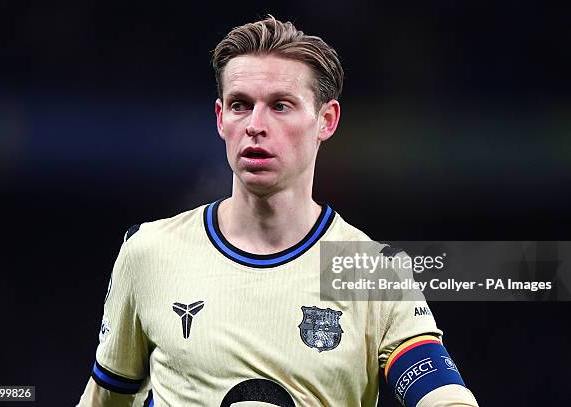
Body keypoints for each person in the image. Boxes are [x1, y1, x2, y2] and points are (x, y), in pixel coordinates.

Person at [77, 16, 479, 407]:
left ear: (326, 120)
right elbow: (107, 398)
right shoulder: (149, 252)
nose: (255, 124)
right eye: (240, 105)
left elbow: (441, 393)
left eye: (280, 106)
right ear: (220, 118)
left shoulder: (371, 271)